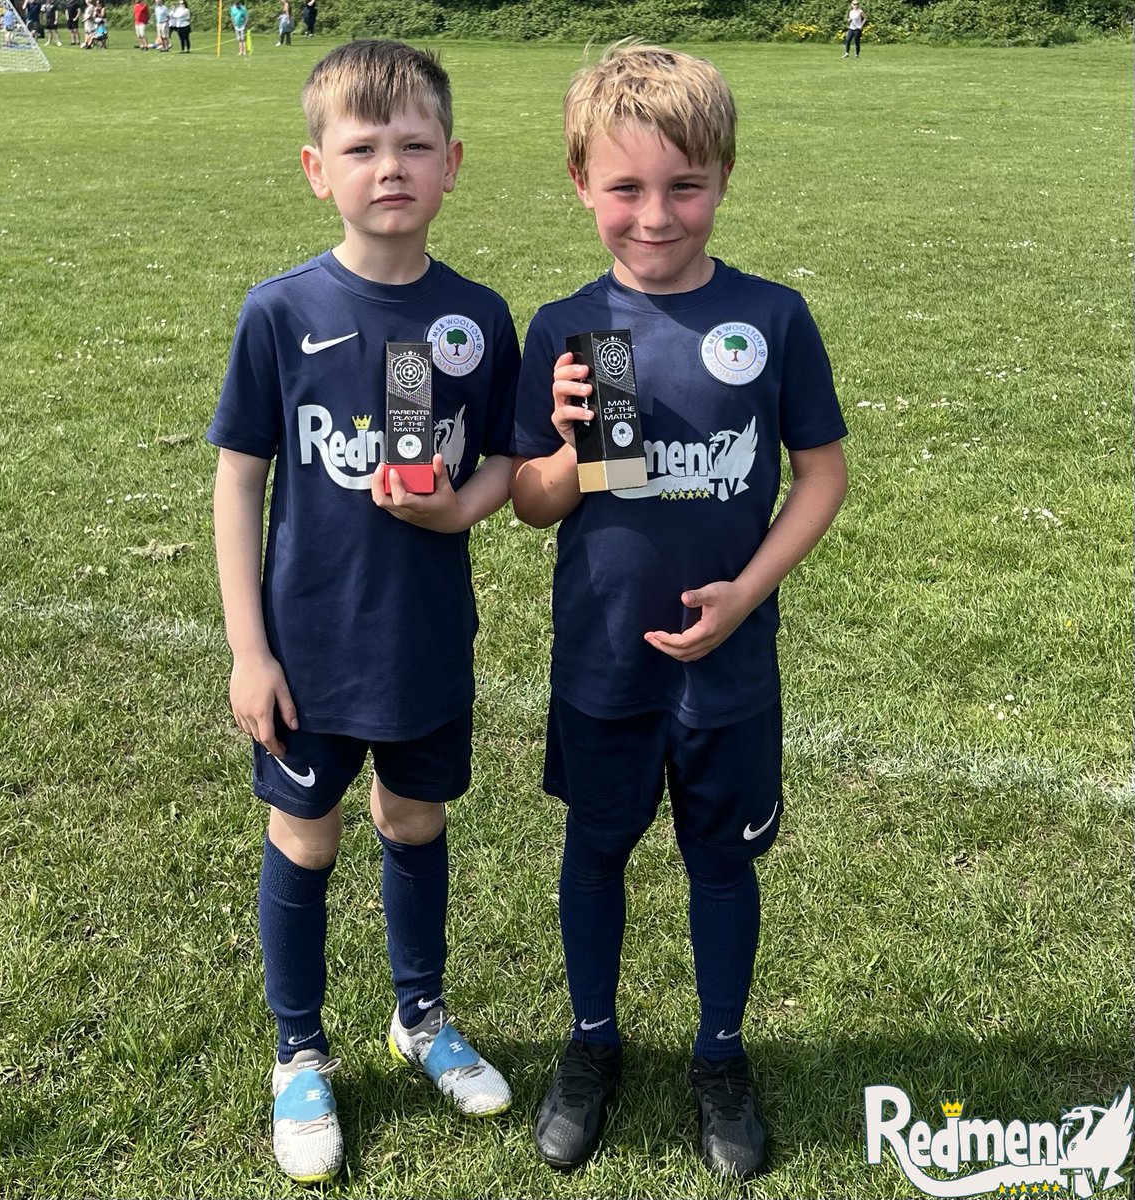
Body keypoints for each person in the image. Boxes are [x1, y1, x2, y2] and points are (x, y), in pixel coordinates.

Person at [511, 42, 848, 1179]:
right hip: (605, 660)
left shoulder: (772, 315)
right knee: (595, 851)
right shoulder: (565, 327)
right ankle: (592, 1045)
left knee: (720, 862)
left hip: (730, 664)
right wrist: (563, 446)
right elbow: (530, 504)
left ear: (726, 176)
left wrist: (748, 591)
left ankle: (720, 1055)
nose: (656, 216)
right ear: (580, 185)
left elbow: (823, 475)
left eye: (684, 187)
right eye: (626, 188)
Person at [208, 38, 519, 1184]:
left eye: (415, 145)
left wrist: (455, 512)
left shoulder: (479, 318)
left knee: (415, 822)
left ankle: (420, 1013)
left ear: (452, 167)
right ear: (314, 168)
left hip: (425, 638)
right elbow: (240, 478)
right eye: (361, 147)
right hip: (308, 646)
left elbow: (506, 459)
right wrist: (250, 648)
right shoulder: (281, 311)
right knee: (307, 833)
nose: (390, 165)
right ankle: (300, 1049)